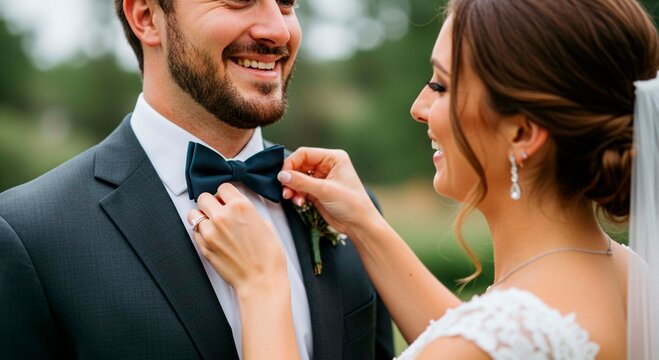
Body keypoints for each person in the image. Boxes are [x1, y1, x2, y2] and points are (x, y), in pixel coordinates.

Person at [186, 0, 659, 359]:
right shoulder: (631, 279)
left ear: (522, 132)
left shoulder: (486, 339)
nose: (419, 108)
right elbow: (487, 335)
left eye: (441, 85)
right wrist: (367, 226)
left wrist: (263, 286)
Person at [0, 0, 394, 359]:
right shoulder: (30, 235)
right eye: (240, 1)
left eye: (287, 3)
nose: (278, 30)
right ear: (146, 17)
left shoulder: (347, 209)